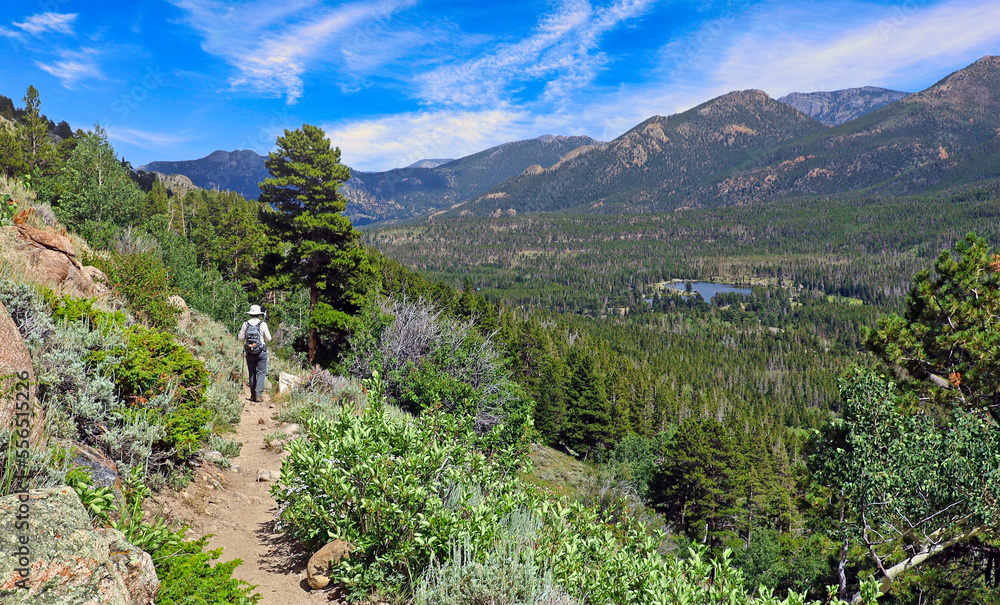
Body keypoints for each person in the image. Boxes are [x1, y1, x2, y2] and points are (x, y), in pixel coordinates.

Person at [238, 304, 272, 402]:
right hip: (261, 352)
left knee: (252, 373)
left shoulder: (246, 324)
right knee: (261, 373)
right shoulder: (263, 324)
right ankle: (258, 395)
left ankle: (252, 395)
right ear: (259, 314)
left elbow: (240, 338)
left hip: (249, 352)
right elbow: (269, 339)